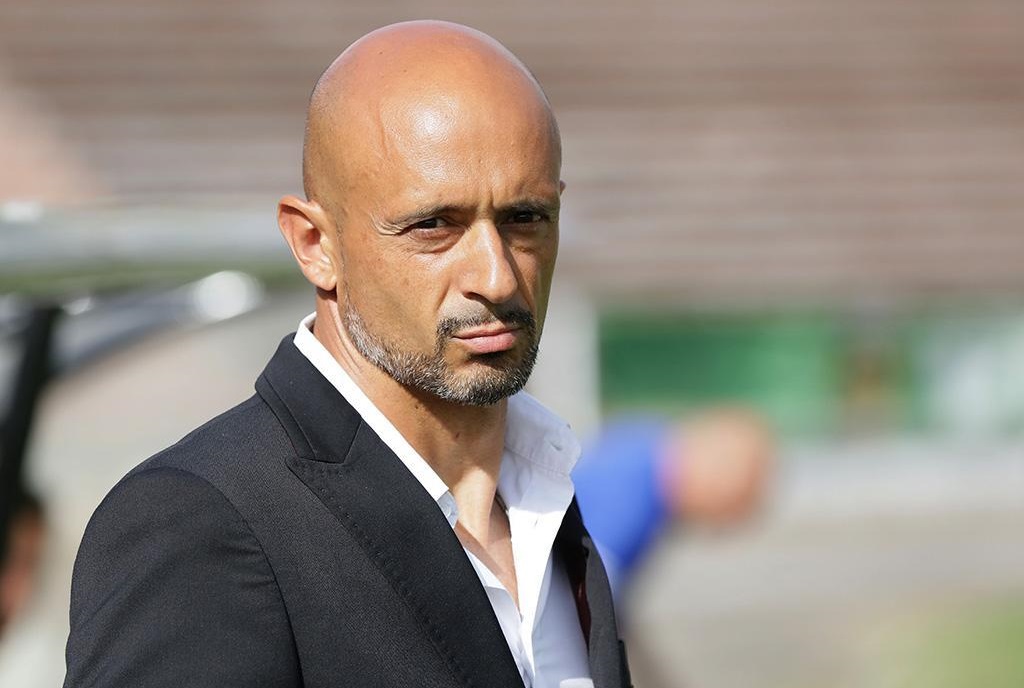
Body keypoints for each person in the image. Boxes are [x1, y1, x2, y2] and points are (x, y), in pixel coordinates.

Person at [63, 20, 630, 688]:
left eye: (524, 218)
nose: (497, 277)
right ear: (315, 245)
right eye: (434, 226)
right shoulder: (200, 523)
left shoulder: (549, 513)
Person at [573, 408, 774, 600]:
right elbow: (581, 596)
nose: (722, 524)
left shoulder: (646, 440)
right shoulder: (631, 505)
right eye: (732, 506)